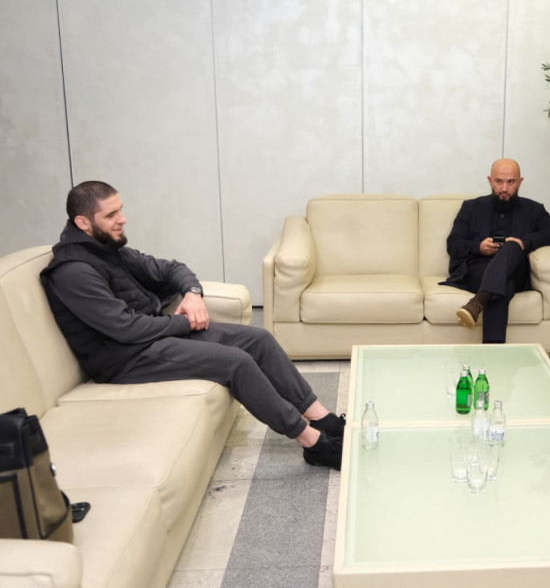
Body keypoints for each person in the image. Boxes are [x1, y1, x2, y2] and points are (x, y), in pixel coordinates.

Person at [40, 181, 344, 470]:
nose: (122, 219)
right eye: (111, 215)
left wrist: (193, 294)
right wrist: (184, 322)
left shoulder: (107, 249)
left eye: (120, 210)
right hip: (124, 359)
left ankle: (322, 418)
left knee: (259, 340)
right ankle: (312, 442)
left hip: (150, 338)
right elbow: (125, 329)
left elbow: (172, 268)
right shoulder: (74, 271)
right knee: (236, 362)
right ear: (83, 222)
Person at [442, 158, 550, 343]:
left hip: (516, 271)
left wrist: (523, 243)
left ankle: (478, 301)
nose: (504, 188)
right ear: (490, 180)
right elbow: (453, 244)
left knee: (512, 246)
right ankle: (494, 353)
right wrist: (479, 247)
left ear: (520, 182)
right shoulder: (471, 207)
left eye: (511, 182)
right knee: (503, 286)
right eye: (499, 181)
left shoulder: (533, 209)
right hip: (478, 270)